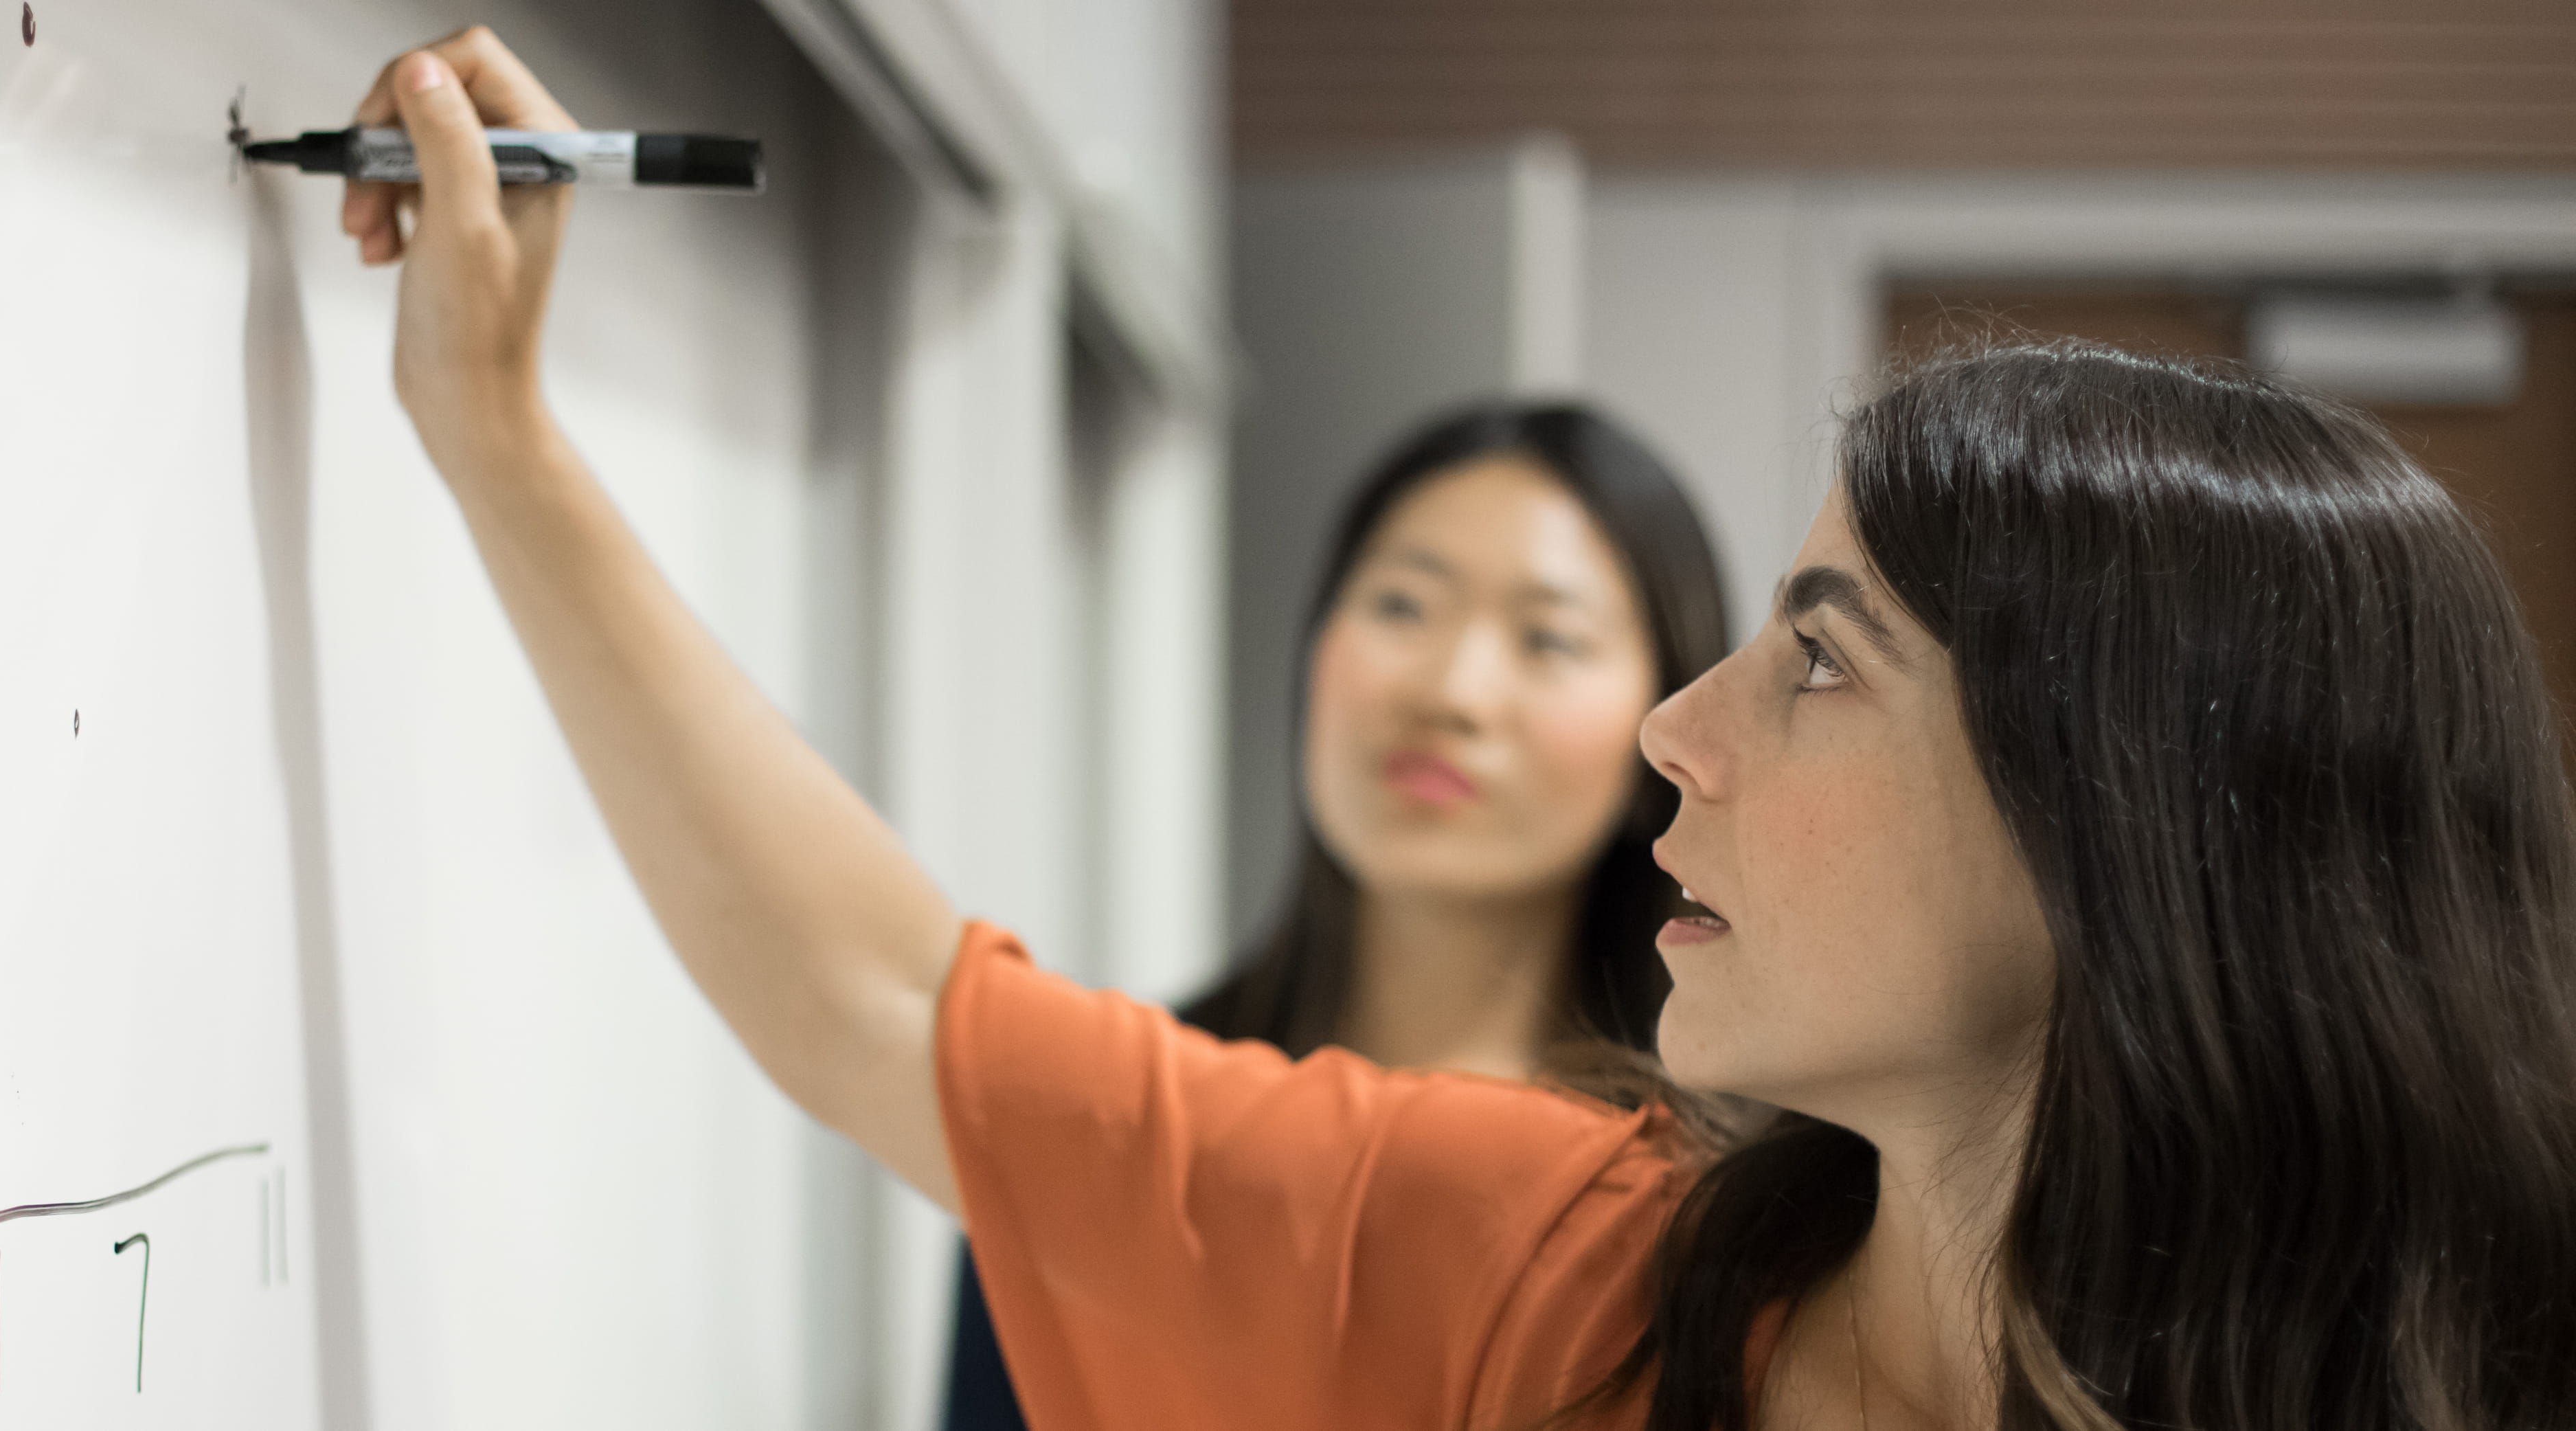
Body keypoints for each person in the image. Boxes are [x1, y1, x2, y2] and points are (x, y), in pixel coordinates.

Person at [342, 30, 2576, 1430]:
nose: (1673, 738)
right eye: (1403, 601)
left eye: (1816, 656)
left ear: (2126, 835)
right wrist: (500, 438)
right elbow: (884, 1004)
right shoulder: (1551, 1270)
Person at [945, 400, 1733, 1430]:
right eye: (1404, 607)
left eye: (1549, 639)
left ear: (1661, 740)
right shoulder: (1109, 1110)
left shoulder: (1720, 1200)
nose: (1452, 692)